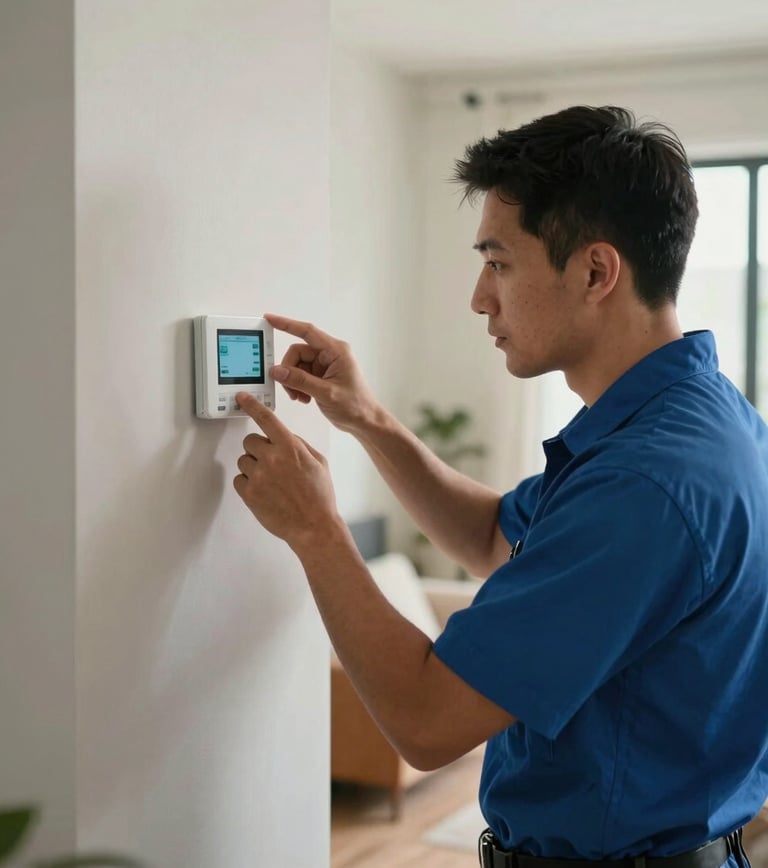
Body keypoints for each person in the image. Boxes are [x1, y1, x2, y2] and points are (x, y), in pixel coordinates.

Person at [232, 105, 768, 868]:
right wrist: (371, 421)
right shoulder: (692, 419)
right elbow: (491, 537)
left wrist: (317, 532)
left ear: (594, 271)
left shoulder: (644, 484)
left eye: (499, 261)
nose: (480, 297)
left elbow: (426, 722)